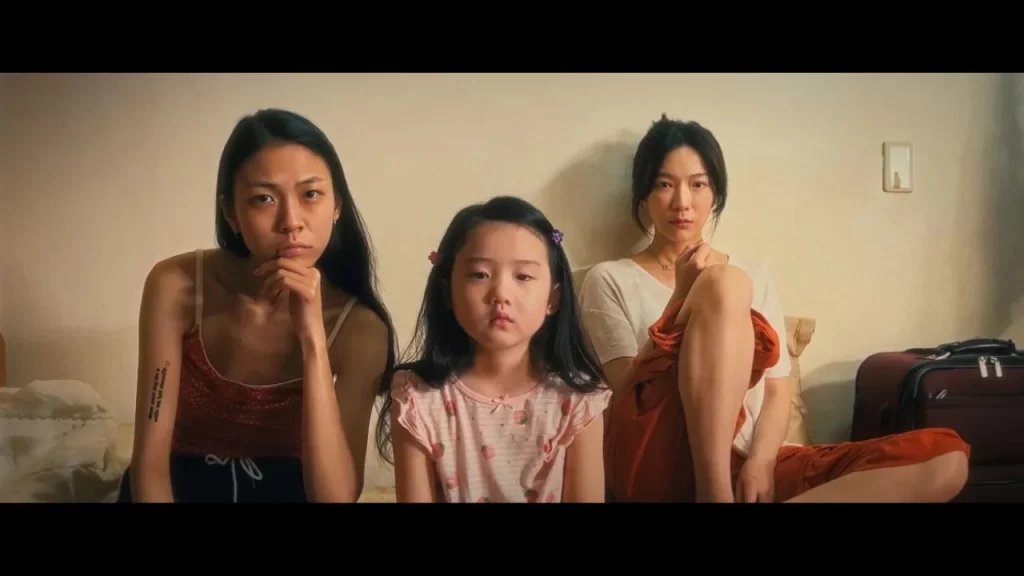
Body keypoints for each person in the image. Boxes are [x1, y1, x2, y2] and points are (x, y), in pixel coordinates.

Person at [578, 114, 971, 503]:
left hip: (751, 458)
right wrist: (682, 296)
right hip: (658, 461)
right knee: (724, 282)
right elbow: (626, 395)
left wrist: (761, 463)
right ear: (643, 196)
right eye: (664, 184)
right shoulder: (609, 278)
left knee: (945, 458)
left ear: (715, 194)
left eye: (698, 184)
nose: (682, 202)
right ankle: (713, 492)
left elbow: (777, 391)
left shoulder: (756, 275)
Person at [118, 108, 396, 503]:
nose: (291, 221)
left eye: (311, 194)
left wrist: (313, 341)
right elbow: (149, 465)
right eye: (263, 198)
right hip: (179, 486)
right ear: (231, 213)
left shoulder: (360, 329)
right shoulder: (176, 285)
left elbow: (336, 497)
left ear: (337, 206)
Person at [375, 196, 611, 503]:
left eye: (523, 276)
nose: (501, 293)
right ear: (447, 293)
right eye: (479, 274)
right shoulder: (416, 397)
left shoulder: (578, 400)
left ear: (553, 298)